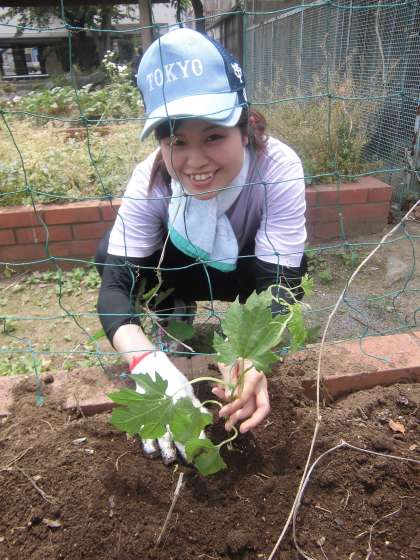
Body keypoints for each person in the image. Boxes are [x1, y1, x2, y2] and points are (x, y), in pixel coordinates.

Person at [96, 27, 307, 465]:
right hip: (181, 269)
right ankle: (173, 321)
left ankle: (236, 338)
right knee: (108, 253)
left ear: (245, 127)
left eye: (213, 137)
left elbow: (280, 282)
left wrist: (252, 356)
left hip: (248, 272)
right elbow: (116, 284)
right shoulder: (151, 179)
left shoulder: (278, 167)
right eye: (177, 142)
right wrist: (144, 362)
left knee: (290, 274)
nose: (195, 163)